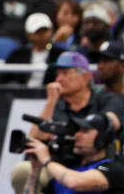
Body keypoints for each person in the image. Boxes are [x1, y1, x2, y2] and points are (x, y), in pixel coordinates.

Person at [10, 52, 124, 194]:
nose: (59, 79)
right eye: (57, 74)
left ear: (86, 77)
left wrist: (50, 156)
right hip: (60, 165)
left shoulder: (107, 100)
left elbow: (110, 122)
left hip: (96, 166)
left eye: (65, 73)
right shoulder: (57, 106)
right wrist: (51, 102)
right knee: (23, 170)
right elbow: (34, 143)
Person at [23, 113, 124, 194]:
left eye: (85, 131)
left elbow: (75, 183)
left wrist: (47, 160)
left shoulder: (113, 168)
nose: (77, 135)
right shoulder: (68, 170)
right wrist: (35, 171)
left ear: (102, 138)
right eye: (78, 130)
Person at [0, 12, 64, 86]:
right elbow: (2, 79)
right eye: (37, 31)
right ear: (28, 35)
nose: (42, 35)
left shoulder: (60, 55)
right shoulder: (17, 55)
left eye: (45, 30)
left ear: (51, 30)